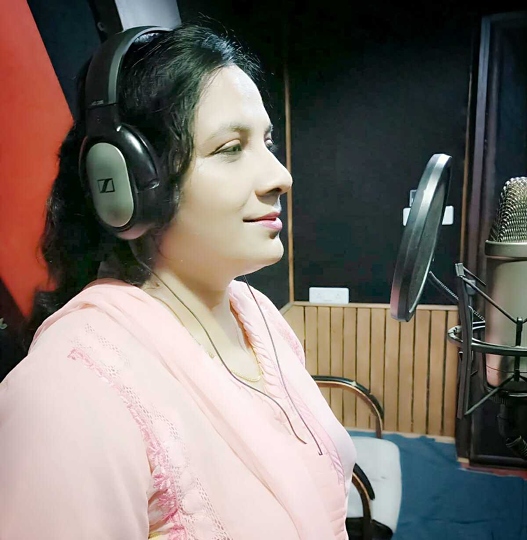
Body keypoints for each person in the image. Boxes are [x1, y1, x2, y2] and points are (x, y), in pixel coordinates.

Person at [0, 23, 355, 539]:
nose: (281, 176)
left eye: (267, 141)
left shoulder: (258, 316)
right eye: (231, 148)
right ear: (126, 183)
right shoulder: (68, 393)